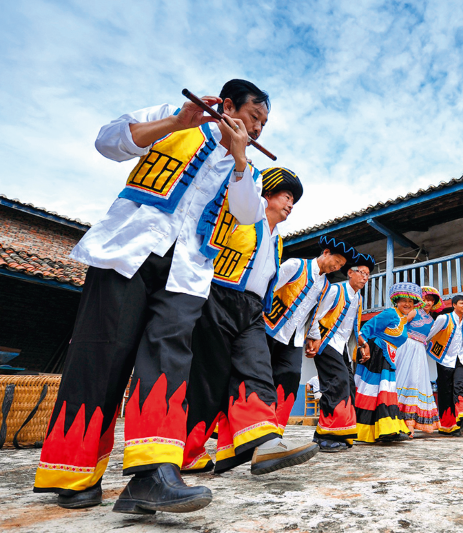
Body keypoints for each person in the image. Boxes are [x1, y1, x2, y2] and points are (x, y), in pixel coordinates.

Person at [33, 80, 271, 513]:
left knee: (170, 357)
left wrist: (239, 159)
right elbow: (109, 141)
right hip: (128, 249)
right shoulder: (178, 118)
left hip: (188, 269)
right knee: (101, 354)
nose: (257, 130)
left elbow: (248, 214)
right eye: (254, 118)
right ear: (230, 105)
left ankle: (153, 473)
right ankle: (74, 474)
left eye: (263, 125)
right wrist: (176, 121)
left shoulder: (247, 170)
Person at [182, 167, 318, 476]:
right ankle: (189, 452)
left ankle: (262, 442)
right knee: (209, 381)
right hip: (218, 298)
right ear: (267, 195)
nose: (290, 204)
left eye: (293, 200)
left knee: (259, 370)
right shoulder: (241, 217)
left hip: (252, 310)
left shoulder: (277, 240)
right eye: (286, 196)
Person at [264, 236, 355, 436]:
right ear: (326, 253)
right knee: (261, 376)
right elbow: (268, 288)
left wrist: (314, 337)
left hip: (293, 338)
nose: (336, 267)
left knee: (291, 377)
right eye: (337, 261)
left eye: (340, 265)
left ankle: (275, 431)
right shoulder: (297, 266)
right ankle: (250, 426)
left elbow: (312, 314)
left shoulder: (324, 285)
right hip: (269, 329)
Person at [305, 252, 376, 452]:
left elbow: (352, 326)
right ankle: (326, 436)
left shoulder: (358, 298)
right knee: (337, 383)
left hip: (342, 345)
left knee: (348, 385)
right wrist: (313, 339)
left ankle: (339, 432)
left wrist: (363, 343)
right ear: (350, 273)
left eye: (368, 275)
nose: (365, 277)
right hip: (326, 342)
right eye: (362, 273)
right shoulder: (336, 290)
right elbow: (316, 315)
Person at [353, 282, 418, 442]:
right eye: (404, 300)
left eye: (411, 302)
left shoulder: (402, 319)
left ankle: (388, 428)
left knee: (384, 392)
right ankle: (373, 430)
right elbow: (365, 329)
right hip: (376, 354)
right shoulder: (390, 313)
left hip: (387, 357)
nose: (407, 304)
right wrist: (364, 346)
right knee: (373, 391)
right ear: (396, 301)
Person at [426, 294, 463, 435]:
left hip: (460, 359)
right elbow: (430, 335)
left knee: (460, 385)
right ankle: (447, 425)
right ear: (454, 305)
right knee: (445, 392)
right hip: (444, 359)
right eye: (461, 303)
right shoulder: (444, 318)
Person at [394, 286, 441, 433]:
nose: (428, 303)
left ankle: (410, 422)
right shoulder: (414, 311)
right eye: (426, 299)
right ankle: (397, 419)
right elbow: (400, 324)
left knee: (416, 382)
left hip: (420, 350)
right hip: (406, 346)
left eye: (431, 301)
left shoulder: (432, 320)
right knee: (401, 379)